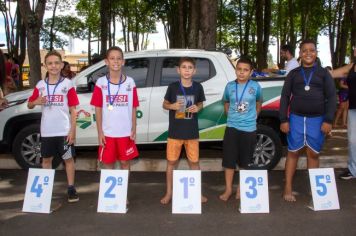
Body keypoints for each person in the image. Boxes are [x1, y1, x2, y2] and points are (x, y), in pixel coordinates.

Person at [279, 39, 337, 202]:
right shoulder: (294, 74)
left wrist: (328, 120)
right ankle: (288, 187)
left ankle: (315, 189)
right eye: (304, 50)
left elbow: (332, 98)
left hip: (317, 120)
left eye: (311, 50)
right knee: (293, 153)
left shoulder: (324, 73)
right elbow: (284, 97)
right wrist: (283, 119)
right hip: (296, 119)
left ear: (316, 53)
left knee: (313, 154)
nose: (308, 53)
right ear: (300, 53)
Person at [27, 50, 80, 203]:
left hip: (64, 130)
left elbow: (73, 109)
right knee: (46, 160)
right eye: (50, 63)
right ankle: (45, 189)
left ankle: (71, 188)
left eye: (57, 63)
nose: (54, 66)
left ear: (62, 65)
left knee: (68, 159)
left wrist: (72, 131)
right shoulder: (40, 85)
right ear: (45, 65)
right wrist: (35, 101)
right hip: (47, 131)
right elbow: (30, 104)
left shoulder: (67, 84)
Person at [160, 57, 207, 204]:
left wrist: (197, 108)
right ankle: (169, 193)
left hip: (192, 133)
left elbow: (201, 104)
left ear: (194, 70)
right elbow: (165, 104)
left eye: (190, 67)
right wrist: (172, 106)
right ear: (178, 70)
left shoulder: (198, 87)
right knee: (171, 162)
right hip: (175, 133)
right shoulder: (173, 87)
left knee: (194, 163)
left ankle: (198, 193)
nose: (187, 70)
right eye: (184, 67)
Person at [219, 57, 262, 201]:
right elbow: (225, 101)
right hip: (232, 127)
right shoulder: (229, 86)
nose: (242, 72)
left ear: (251, 72)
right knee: (229, 160)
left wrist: (255, 115)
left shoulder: (255, 86)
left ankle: (241, 189)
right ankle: (229, 189)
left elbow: (259, 101)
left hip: (249, 129)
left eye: (245, 70)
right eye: (239, 69)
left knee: (245, 160)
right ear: (235, 70)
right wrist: (229, 114)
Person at [90, 46, 139, 171]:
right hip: (108, 133)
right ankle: (110, 191)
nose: (115, 61)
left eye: (118, 59)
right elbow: (98, 108)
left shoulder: (130, 82)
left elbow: (133, 107)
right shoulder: (100, 83)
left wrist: (134, 127)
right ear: (107, 62)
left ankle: (124, 190)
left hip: (125, 132)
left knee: (124, 163)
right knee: (108, 164)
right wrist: (100, 132)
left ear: (123, 62)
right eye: (112, 58)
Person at [329, 44, 356, 180]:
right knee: (352, 140)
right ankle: (353, 170)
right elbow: (332, 73)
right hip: (353, 108)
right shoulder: (351, 67)